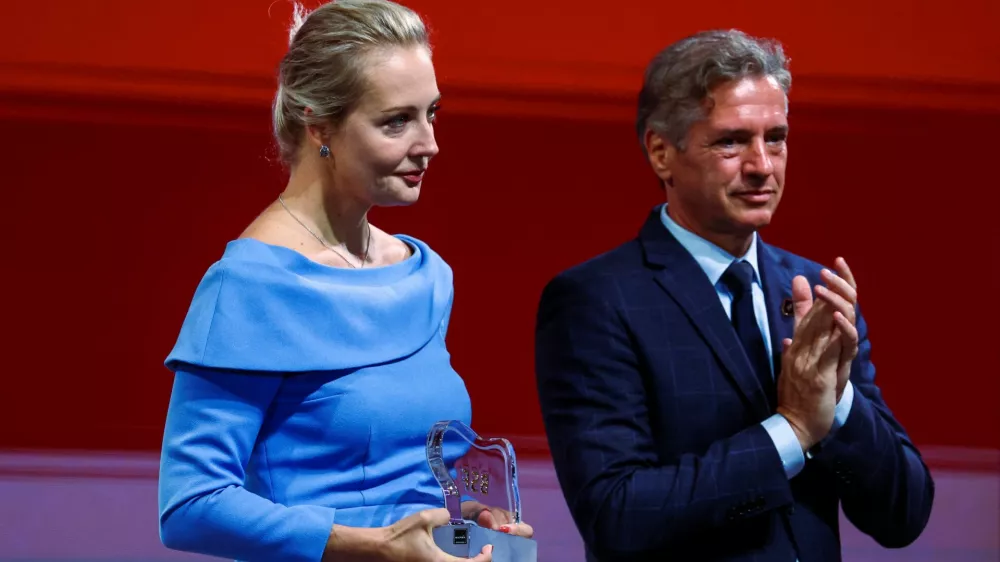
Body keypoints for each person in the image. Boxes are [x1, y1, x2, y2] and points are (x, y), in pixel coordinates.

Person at [533, 29, 934, 562]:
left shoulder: (816, 294)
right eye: (731, 141)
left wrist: (837, 406)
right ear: (660, 151)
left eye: (776, 137)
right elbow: (617, 515)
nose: (762, 165)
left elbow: (904, 514)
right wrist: (790, 431)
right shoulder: (595, 301)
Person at [157, 2, 531, 561]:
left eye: (432, 113)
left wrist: (467, 518)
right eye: (396, 121)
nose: (429, 144)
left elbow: (409, 474)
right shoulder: (248, 286)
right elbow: (190, 506)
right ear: (318, 126)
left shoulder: (424, 275)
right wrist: (374, 547)